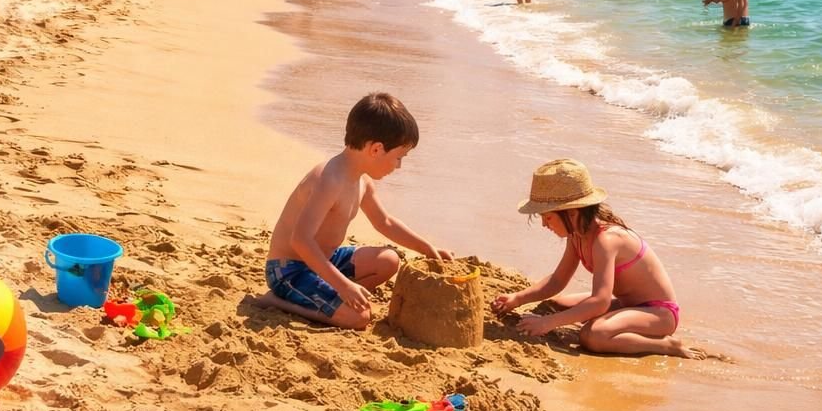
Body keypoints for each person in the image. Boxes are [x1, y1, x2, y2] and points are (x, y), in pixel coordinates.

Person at [263, 93, 450, 328]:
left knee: (389, 260)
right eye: (399, 157)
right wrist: (343, 285)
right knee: (358, 318)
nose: (399, 166)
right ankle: (278, 302)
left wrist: (426, 248)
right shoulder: (329, 180)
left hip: (326, 260)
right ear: (376, 149)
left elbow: (384, 222)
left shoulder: (362, 181)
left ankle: (337, 298)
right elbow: (300, 240)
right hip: (290, 269)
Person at [492, 159, 710, 358]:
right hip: (625, 303)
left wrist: (547, 323)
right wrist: (518, 298)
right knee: (555, 305)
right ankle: (618, 324)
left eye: (548, 217)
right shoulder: (577, 235)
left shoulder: (606, 240)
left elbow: (600, 301)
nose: (544, 224)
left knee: (592, 335)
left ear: (572, 213)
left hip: (658, 313)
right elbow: (557, 281)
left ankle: (667, 346)